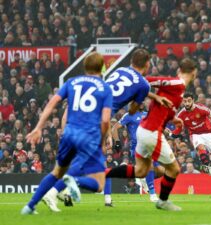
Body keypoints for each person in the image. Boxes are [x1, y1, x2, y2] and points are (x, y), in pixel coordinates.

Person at [42, 48, 171, 211]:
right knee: (93, 167)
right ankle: (55, 191)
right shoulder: (143, 85)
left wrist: (154, 96)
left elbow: (127, 87)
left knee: (82, 160)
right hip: (96, 118)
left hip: (83, 108)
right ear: (147, 65)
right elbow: (132, 109)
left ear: (132, 61)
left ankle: (63, 189)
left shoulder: (121, 70)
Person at [21, 52, 113, 214]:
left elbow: (52, 103)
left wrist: (38, 127)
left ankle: (30, 206)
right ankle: (74, 180)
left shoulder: (72, 82)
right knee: (99, 184)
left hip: (69, 133)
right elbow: (105, 120)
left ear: (84, 66)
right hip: (88, 137)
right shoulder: (105, 88)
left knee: (57, 171)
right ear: (101, 68)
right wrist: (102, 140)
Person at [106, 58, 198, 211]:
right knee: (174, 169)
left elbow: (161, 108)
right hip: (151, 131)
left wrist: (173, 119)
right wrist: (149, 95)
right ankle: (162, 200)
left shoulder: (179, 90)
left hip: (145, 130)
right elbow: (145, 81)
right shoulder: (177, 84)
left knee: (141, 171)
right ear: (193, 73)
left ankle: (107, 173)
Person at [171, 93, 211, 192]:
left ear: (193, 100)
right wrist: (172, 134)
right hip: (195, 135)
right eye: (185, 101)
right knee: (201, 147)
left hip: (208, 134)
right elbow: (179, 129)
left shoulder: (202, 108)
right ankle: (207, 165)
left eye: (189, 100)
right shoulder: (181, 115)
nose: (187, 103)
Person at [112, 103, 160, 202]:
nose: (142, 102)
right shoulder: (129, 115)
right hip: (137, 146)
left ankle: (143, 177)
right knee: (149, 165)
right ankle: (152, 194)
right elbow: (115, 128)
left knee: (155, 169)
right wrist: (117, 142)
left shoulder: (148, 114)